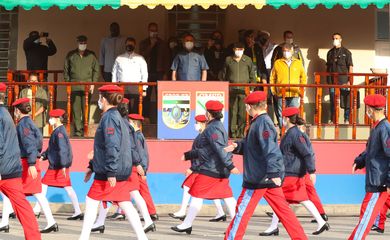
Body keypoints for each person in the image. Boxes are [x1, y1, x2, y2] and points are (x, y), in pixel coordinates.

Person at [224, 91, 307, 240]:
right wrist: (237, 146)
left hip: (259, 178)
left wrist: (274, 172)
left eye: (246, 107)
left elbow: (270, 149)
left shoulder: (262, 123)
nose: (246, 110)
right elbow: (254, 146)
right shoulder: (261, 121)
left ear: (250, 107)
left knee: (242, 212)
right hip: (266, 176)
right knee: (284, 212)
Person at [79, 85, 148, 240]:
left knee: (91, 200)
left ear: (103, 99)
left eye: (99, 97)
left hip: (109, 171)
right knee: (125, 203)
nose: (98, 101)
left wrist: (110, 171)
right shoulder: (119, 117)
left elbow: (112, 145)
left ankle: (83, 237)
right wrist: (92, 167)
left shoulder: (109, 118)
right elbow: (111, 147)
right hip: (118, 170)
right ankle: (142, 237)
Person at [171, 100, 238, 234]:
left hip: (211, 169)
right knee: (227, 197)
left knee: (197, 194)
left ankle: (187, 224)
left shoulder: (212, 128)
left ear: (208, 114)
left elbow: (219, 149)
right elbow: (209, 150)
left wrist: (230, 165)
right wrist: (189, 155)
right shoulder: (217, 126)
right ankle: (236, 225)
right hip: (217, 168)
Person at [260, 107, 330, 236]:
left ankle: (274, 226)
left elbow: (307, 153)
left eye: (282, 118)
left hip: (291, 172)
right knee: (291, 199)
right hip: (290, 171)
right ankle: (320, 221)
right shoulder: (291, 133)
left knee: (280, 199)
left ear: (286, 119)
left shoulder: (295, 134)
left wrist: (312, 171)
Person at [0, 84, 41, 239]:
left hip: (4, 170)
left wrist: (31, 162)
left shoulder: (4, 116)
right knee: (22, 206)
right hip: (11, 168)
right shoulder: (5, 114)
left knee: (23, 205)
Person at [168, 115, 227, 222]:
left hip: (201, 168)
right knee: (214, 192)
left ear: (203, 124)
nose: (195, 125)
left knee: (188, 187)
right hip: (204, 168)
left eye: (197, 123)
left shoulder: (203, 136)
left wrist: (192, 168)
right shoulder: (202, 135)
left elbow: (203, 154)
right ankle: (221, 212)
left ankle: (183, 212)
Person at [12, 98, 57, 233]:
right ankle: (51, 221)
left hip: (27, 162)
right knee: (28, 192)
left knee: (15, 190)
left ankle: (51, 221)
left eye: (15, 110)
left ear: (17, 110)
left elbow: (30, 144)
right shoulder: (30, 122)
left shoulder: (23, 124)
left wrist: (31, 163)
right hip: (28, 161)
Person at [349, 94, 390, 240]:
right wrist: (360, 161)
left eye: (367, 108)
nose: (367, 111)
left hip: (379, 182)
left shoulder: (384, 128)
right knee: (365, 215)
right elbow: (371, 151)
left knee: (366, 218)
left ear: (372, 110)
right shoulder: (377, 127)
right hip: (375, 181)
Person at [32, 109, 83, 221]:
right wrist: (43, 156)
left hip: (58, 166)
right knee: (67, 187)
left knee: (43, 185)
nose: (49, 120)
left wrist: (64, 165)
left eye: (51, 118)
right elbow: (52, 149)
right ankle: (78, 211)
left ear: (57, 119)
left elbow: (62, 150)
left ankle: (36, 209)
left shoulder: (59, 132)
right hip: (59, 165)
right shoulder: (58, 130)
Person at [64, 35, 99, 137]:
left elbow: (96, 70)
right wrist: (68, 83)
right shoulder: (71, 55)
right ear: (77, 42)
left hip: (87, 86)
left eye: (84, 43)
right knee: (76, 110)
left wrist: (93, 83)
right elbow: (66, 70)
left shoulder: (91, 55)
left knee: (86, 109)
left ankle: (85, 130)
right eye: (81, 43)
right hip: (74, 86)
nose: (82, 44)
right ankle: (78, 131)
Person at [220, 42, 256, 138]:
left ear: (243, 50)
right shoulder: (228, 60)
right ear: (233, 49)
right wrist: (224, 88)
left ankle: (240, 133)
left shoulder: (247, 60)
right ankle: (232, 133)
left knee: (242, 113)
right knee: (232, 112)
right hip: (231, 91)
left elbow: (252, 75)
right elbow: (223, 75)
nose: (238, 51)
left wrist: (251, 89)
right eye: (236, 49)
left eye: (240, 49)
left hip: (244, 92)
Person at [128, 113, 159, 220]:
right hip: (139, 168)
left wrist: (143, 169)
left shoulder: (136, 136)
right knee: (139, 190)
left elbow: (142, 154)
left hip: (138, 168)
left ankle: (151, 212)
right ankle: (151, 212)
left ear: (133, 123)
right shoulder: (138, 135)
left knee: (141, 190)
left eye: (129, 122)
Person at [270, 43, 307, 128]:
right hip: (281, 93)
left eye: (288, 51)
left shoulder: (298, 63)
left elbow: (303, 77)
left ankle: (292, 131)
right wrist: (274, 91)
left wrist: (301, 89)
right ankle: (282, 131)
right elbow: (272, 78)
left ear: (292, 51)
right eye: (284, 51)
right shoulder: (277, 63)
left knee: (294, 113)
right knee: (281, 114)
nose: (286, 53)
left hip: (294, 93)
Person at [140, 23, 169, 123]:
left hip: (159, 73)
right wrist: (151, 45)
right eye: (152, 30)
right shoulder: (144, 43)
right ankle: (146, 117)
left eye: (155, 30)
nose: (154, 32)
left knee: (160, 97)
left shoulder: (162, 43)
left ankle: (160, 118)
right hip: (147, 73)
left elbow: (166, 60)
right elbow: (142, 56)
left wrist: (165, 74)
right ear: (148, 30)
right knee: (146, 97)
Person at [112, 37, 148, 115]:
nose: (129, 45)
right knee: (123, 109)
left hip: (136, 88)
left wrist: (144, 89)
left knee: (135, 110)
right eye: (128, 44)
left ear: (134, 46)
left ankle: (134, 126)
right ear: (125, 45)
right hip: (122, 87)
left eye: (131, 44)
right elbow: (114, 74)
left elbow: (144, 73)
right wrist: (114, 87)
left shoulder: (140, 58)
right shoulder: (119, 58)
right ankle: (124, 125)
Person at [326, 33, 353, 124]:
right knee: (333, 100)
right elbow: (328, 67)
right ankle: (333, 119)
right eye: (333, 38)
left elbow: (350, 67)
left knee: (346, 100)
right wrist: (328, 80)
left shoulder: (346, 52)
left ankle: (346, 119)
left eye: (337, 38)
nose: (335, 40)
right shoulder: (330, 53)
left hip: (343, 80)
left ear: (341, 39)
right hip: (332, 81)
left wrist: (350, 80)